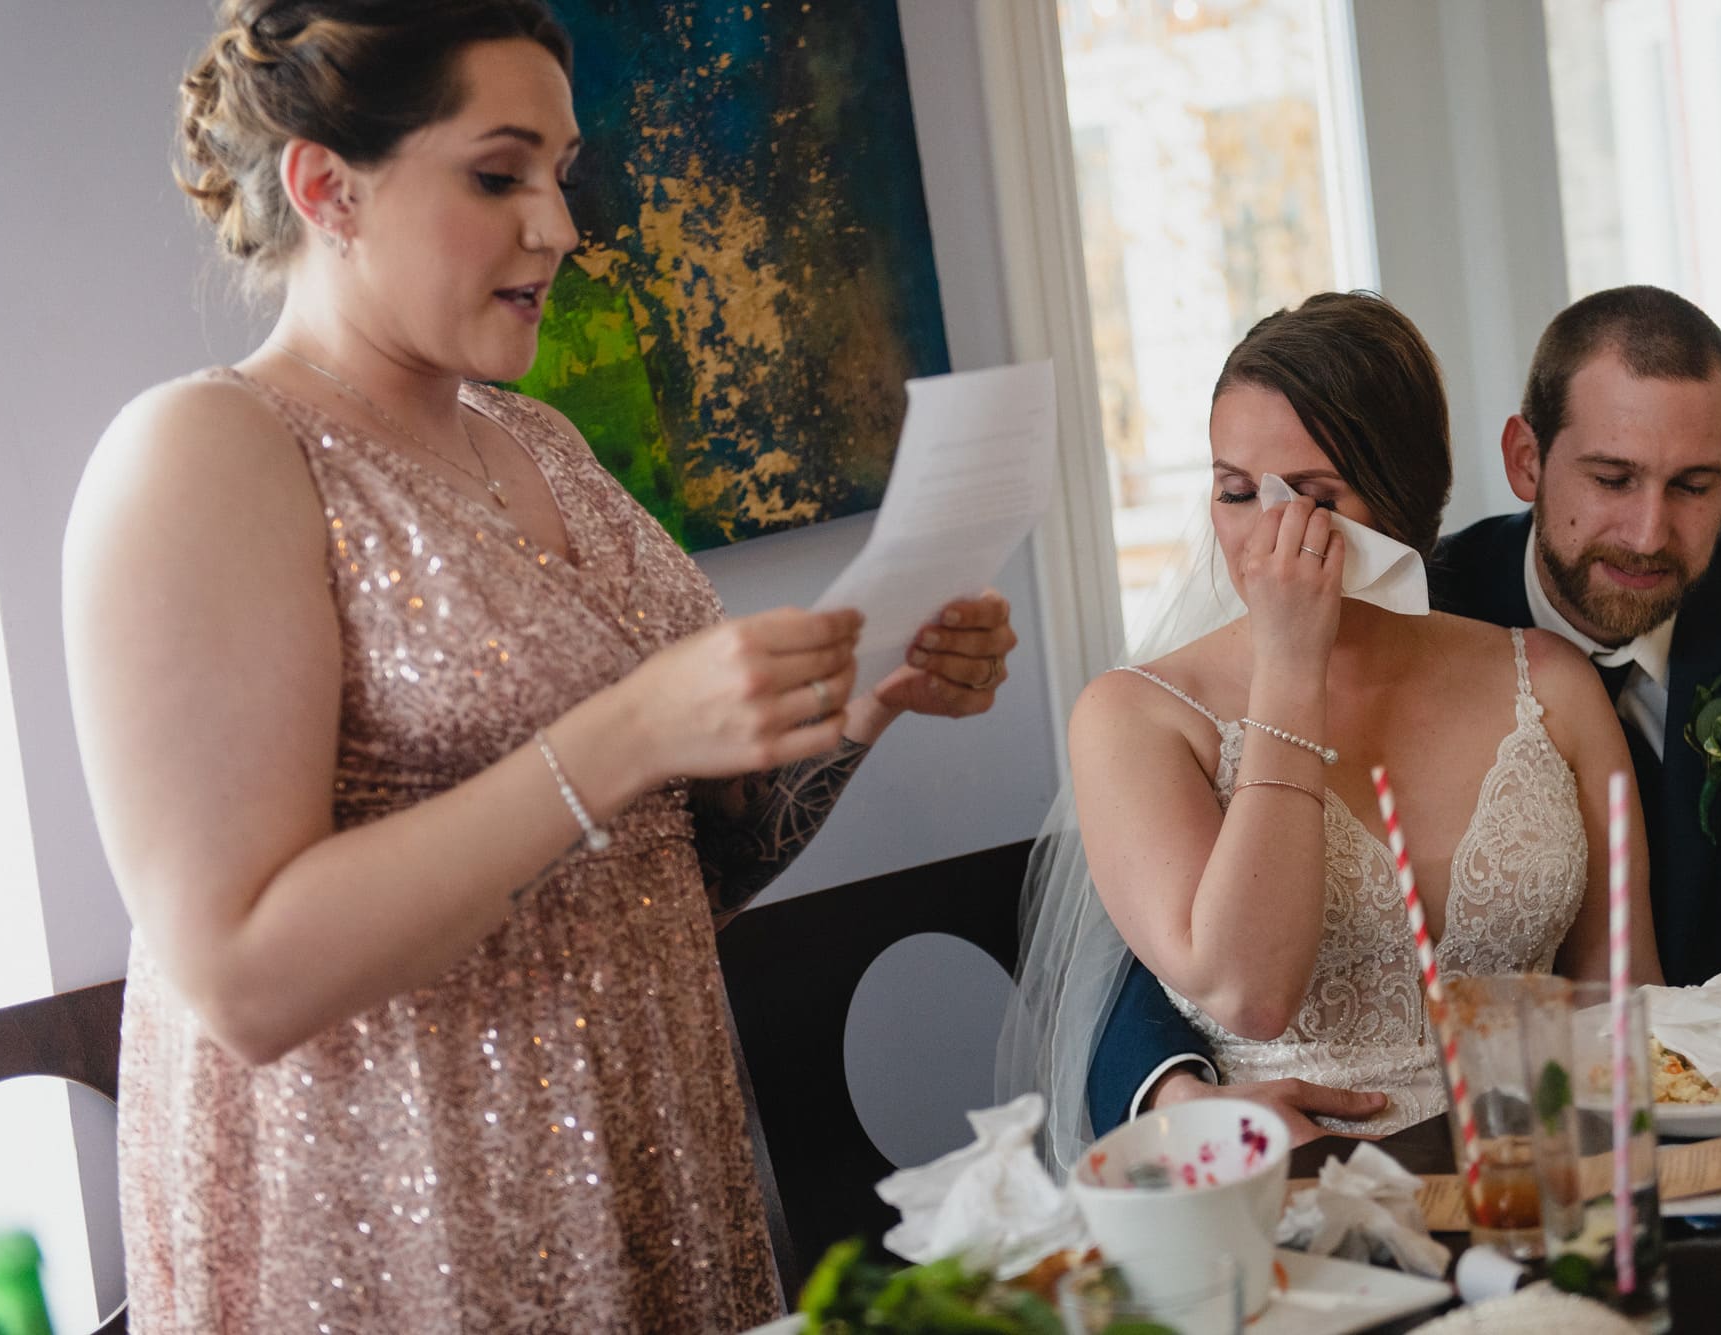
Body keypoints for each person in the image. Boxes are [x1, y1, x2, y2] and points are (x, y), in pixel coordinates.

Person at [61, 4, 1015, 1330]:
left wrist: (856, 714)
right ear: (328, 188)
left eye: (560, 175)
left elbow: (682, 869)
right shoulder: (205, 454)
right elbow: (241, 979)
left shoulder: (544, 443)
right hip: (399, 1214)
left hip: (647, 1156)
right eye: (498, 174)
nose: (558, 226)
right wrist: (629, 731)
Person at [1088, 286, 1721, 1145]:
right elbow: (1153, 960)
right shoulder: (1157, 706)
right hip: (1290, 1158)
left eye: (1692, 484)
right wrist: (1171, 1091)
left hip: (1592, 1142)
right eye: (1610, 477)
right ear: (1525, 459)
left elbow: (1643, 987)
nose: (1645, 530)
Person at [1001, 291, 1661, 1174]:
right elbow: (1249, 992)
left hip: (1542, 1173)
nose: (1264, 537)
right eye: (1236, 491)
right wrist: (1288, 670)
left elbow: (1629, 994)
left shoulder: (1552, 683)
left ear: (1403, 498)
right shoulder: (1133, 717)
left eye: (1311, 497)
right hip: (1296, 1187)